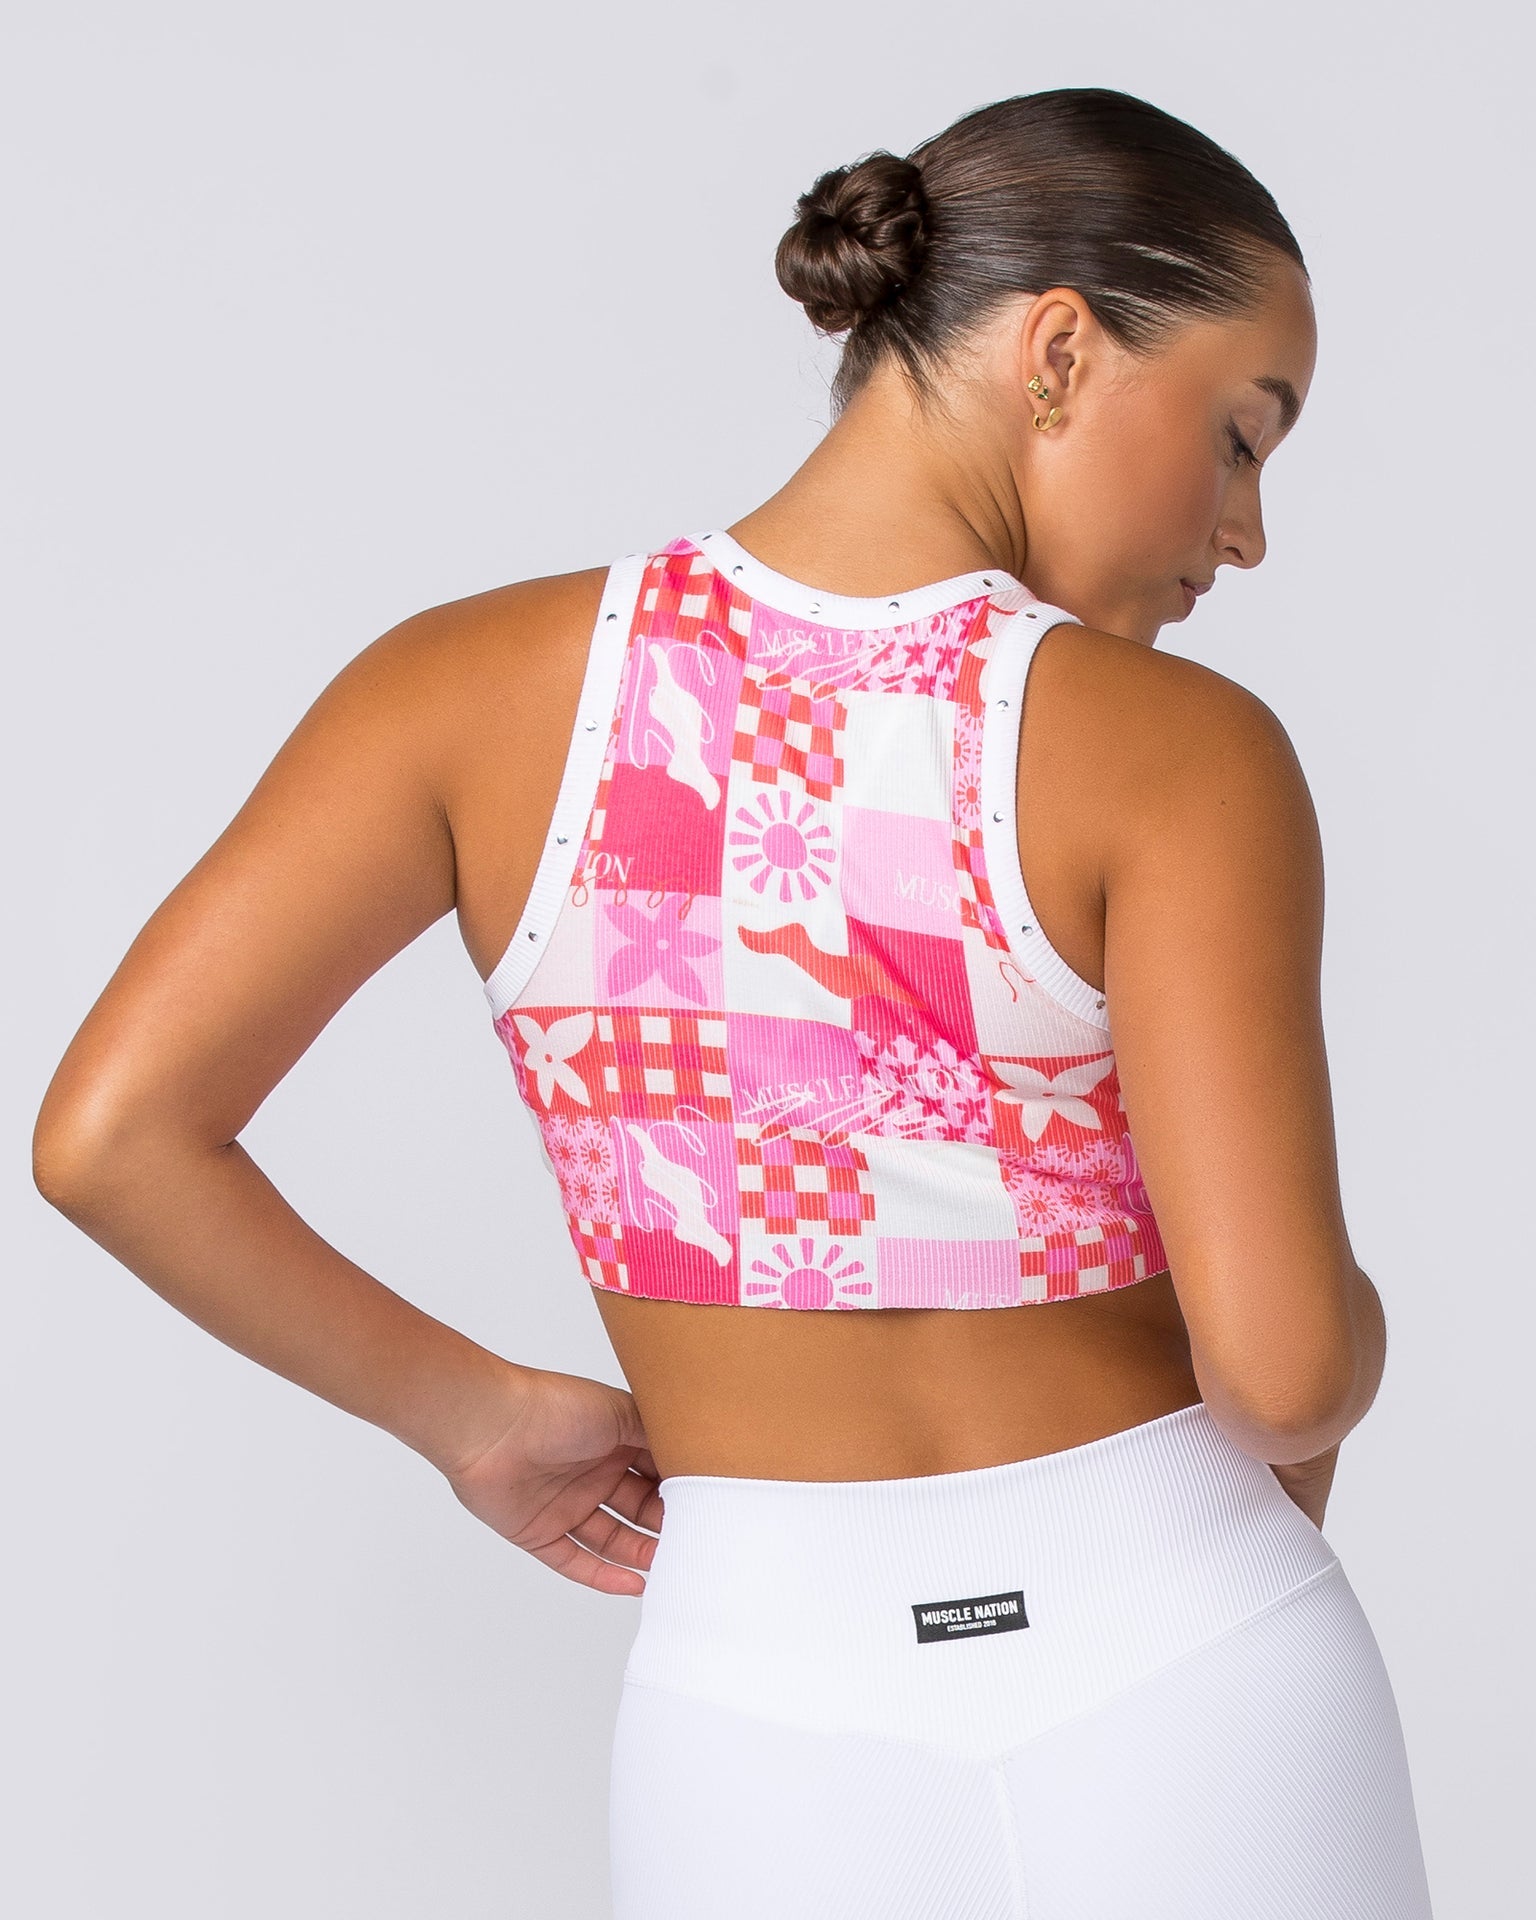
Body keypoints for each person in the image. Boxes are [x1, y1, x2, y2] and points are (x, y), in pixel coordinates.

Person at [34, 84, 1434, 1920]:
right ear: (1061, 352)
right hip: (1187, 1653)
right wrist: (1358, 1320)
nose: (1245, 534)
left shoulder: (465, 691)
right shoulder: (1180, 751)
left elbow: (111, 1138)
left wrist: (475, 1417)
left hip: (759, 1702)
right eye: (1242, 436)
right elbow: (1284, 1377)